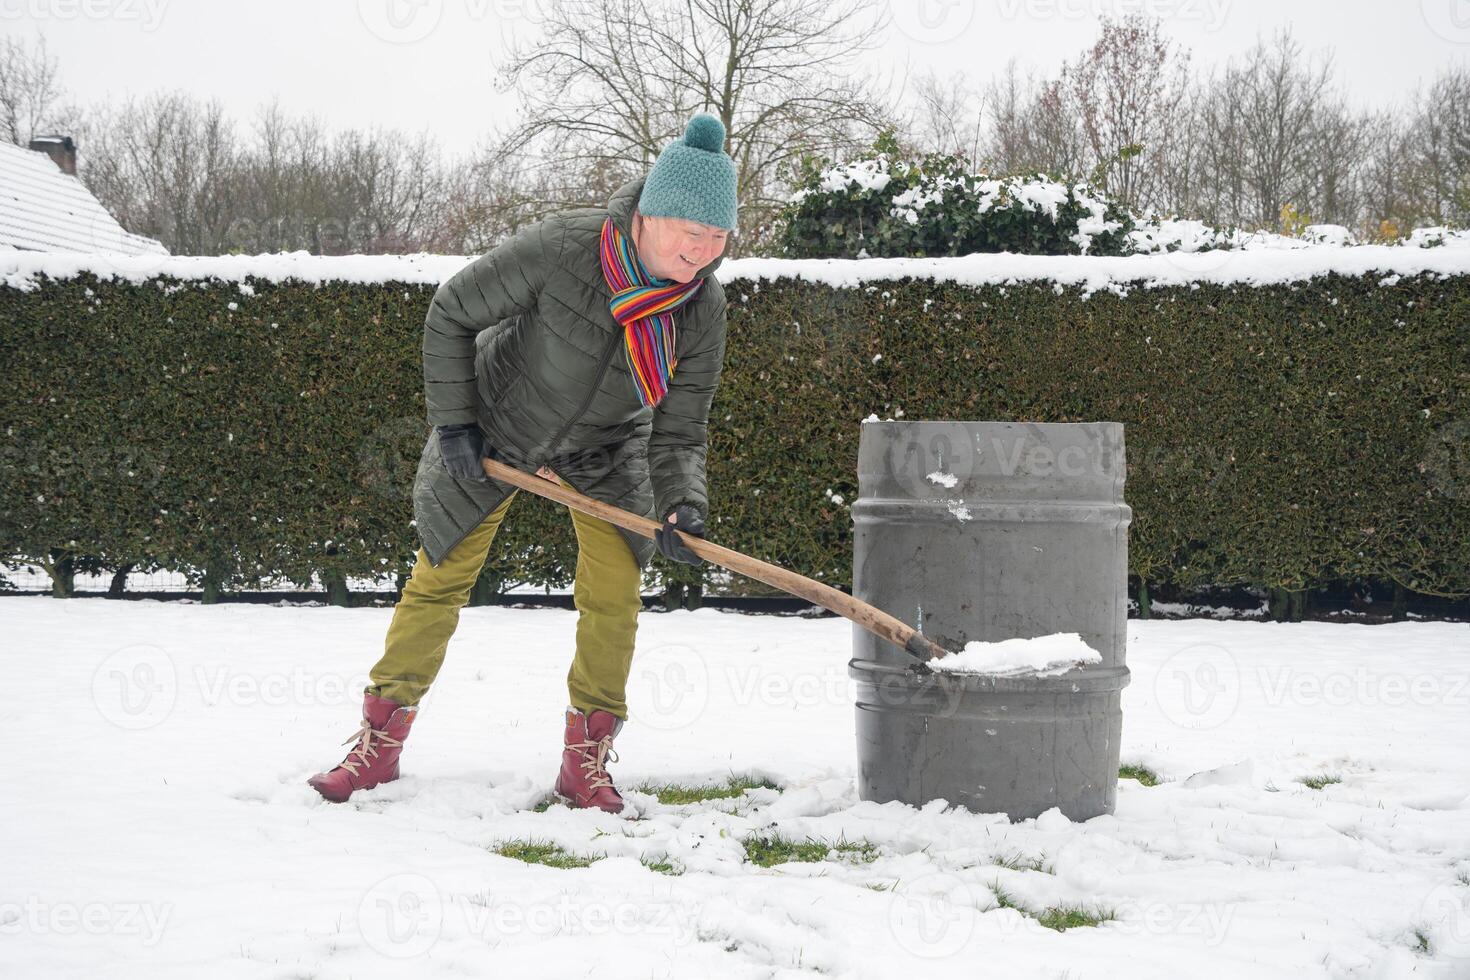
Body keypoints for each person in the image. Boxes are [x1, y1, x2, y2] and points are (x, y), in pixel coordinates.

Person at [307, 113, 736, 813]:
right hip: (499, 421)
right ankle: (375, 748)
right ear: (653, 216)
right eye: (694, 233)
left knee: (616, 591)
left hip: (606, 445)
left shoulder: (702, 306)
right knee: (439, 576)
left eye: (718, 238)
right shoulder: (566, 248)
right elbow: (451, 311)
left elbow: (681, 428)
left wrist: (681, 504)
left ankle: (583, 764)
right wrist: (455, 425)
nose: (705, 251)